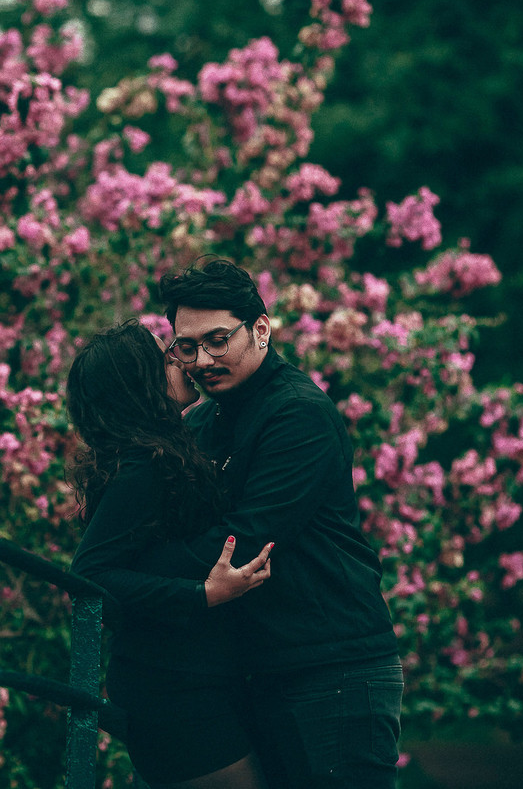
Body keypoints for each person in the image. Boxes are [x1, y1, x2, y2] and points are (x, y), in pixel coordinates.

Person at [151, 258, 403, 788]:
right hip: (253, 670)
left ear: (260, 329)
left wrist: (138, 572)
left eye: (218, 340)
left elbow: (245, 539)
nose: (202, 360)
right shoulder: (203, 421)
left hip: (331, 669)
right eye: (187, 347)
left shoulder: (298, 413)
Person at [67, 320, 275, 789]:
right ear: (140, 384)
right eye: (166, 358)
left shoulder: (159, 454)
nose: (184, 361)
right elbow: (90, 575)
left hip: (187, 679)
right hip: (170, 688)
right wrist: (202, 594)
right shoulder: (141, 466)